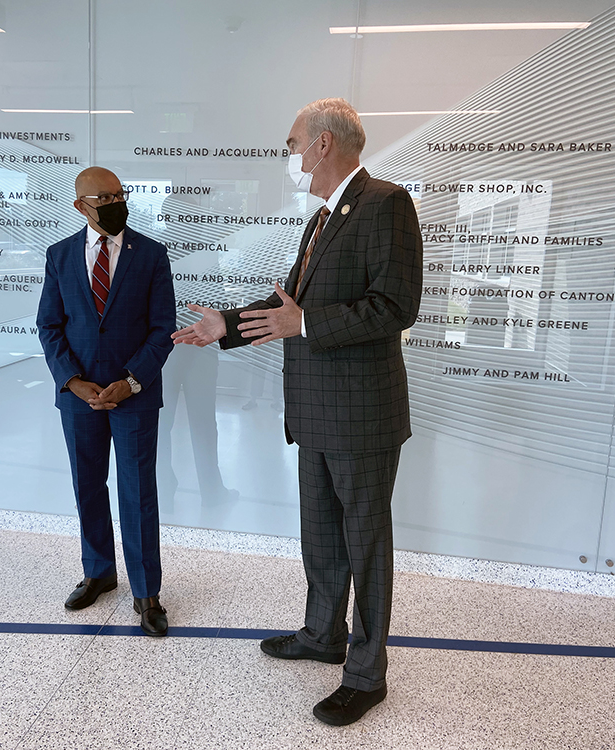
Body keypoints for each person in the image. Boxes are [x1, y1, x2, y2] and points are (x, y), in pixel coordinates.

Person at [172, 98, 423, 724]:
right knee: (320, 536)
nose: (289, 154)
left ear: (325, 144)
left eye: (293, 142)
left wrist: (303, 320)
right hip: (314, 412)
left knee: (364, 543)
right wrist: (225, 326)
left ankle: (366, 673)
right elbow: (289, 305)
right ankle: (322, 635)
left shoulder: (386, 204)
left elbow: (395, 307)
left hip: (362, 415)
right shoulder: (320, 221)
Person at [37, 166, 176, 637]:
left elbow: (163, 331)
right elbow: (49, 326)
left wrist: (131, 381)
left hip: (133, 395)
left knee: (138, 494)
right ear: (81, 206)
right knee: (88, 486)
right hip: (80, 399)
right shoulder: (58, 256)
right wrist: (73, 382)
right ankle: (99, 571)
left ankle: (146, 592)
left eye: (121, 194)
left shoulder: (152, 255)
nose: (117, 203)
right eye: (105, 198)